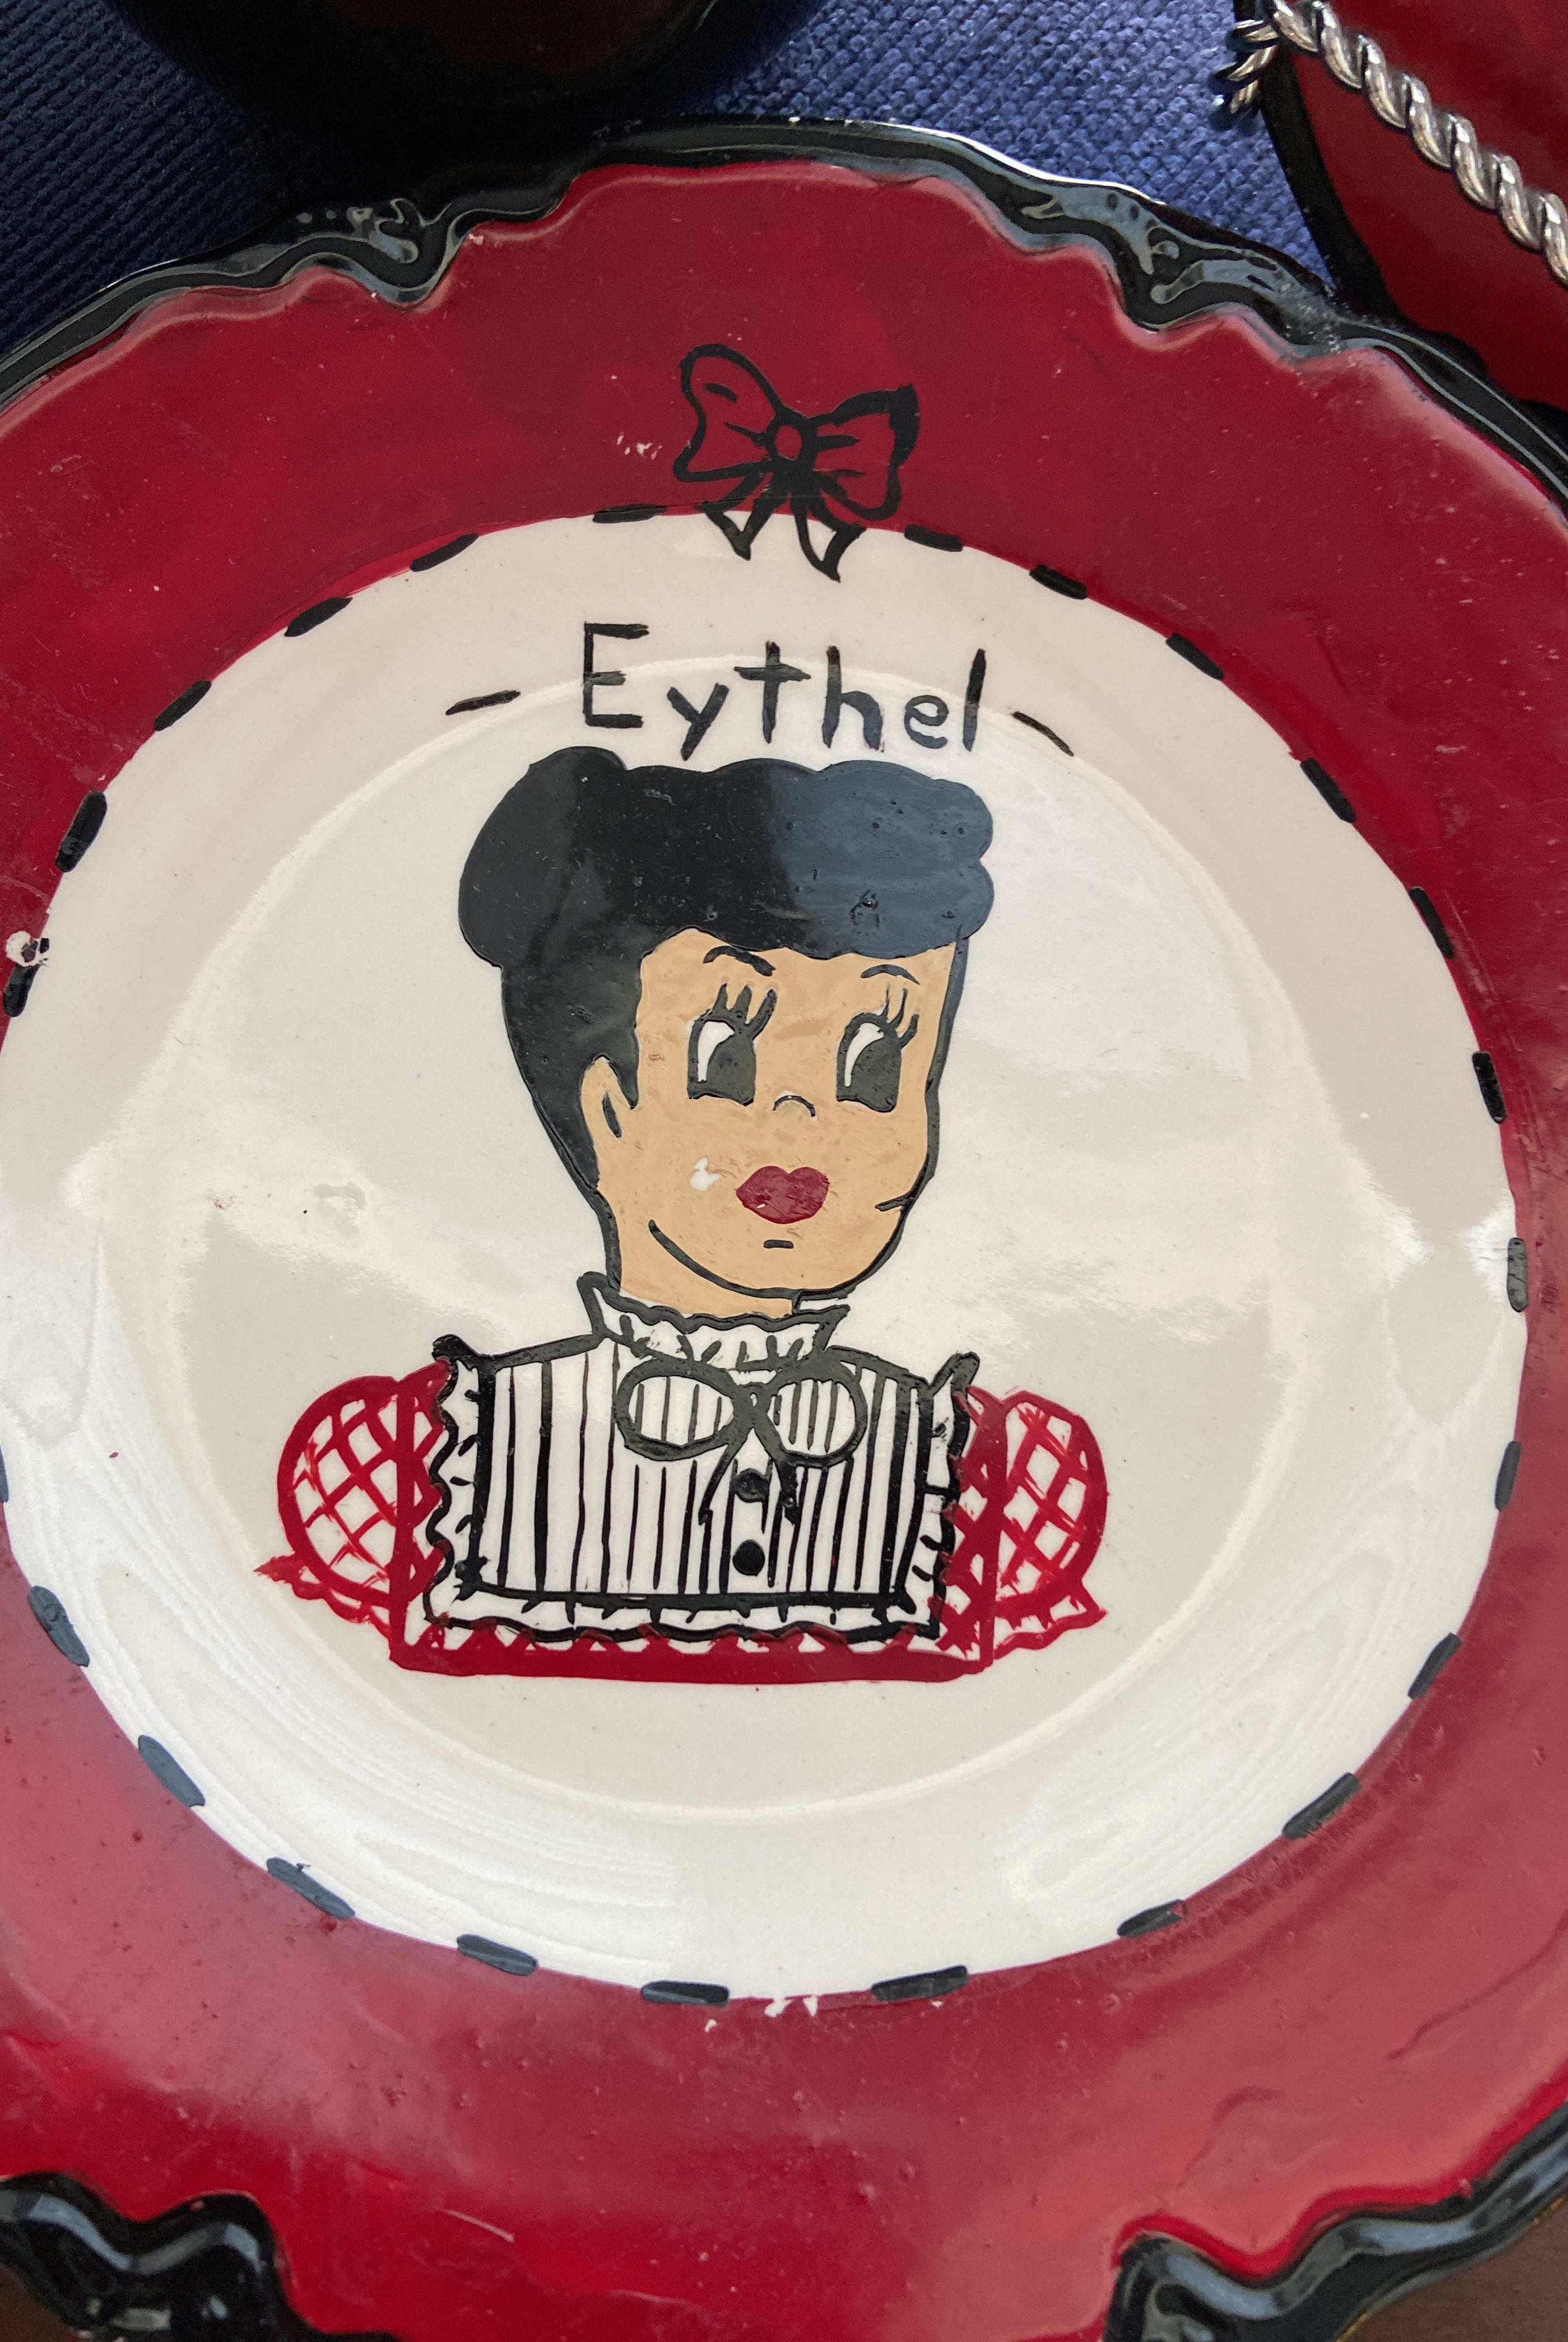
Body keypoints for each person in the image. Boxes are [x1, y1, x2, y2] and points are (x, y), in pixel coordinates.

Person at [264, 748, 1106, 1683]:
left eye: (876, 1065)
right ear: (607, 1108)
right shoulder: (427, 1462)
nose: (802, 1120)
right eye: (725, 1059)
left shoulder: (980, 1476)